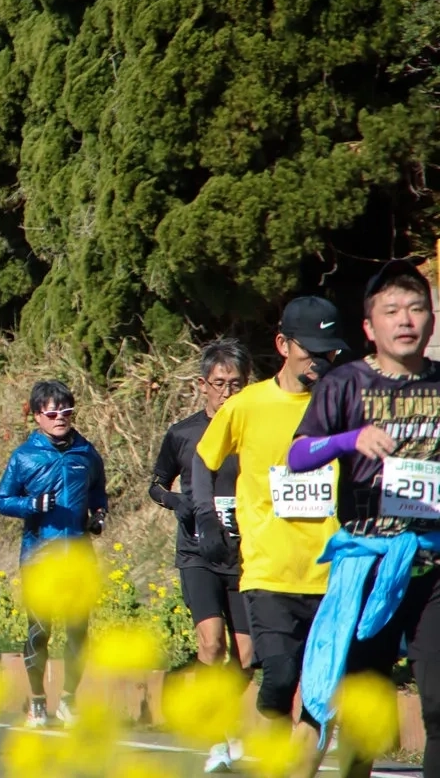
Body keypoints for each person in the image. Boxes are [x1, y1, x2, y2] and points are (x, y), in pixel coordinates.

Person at [290, 260, 440, 777]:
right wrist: (349, 439)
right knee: (353, 699)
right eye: (392, 311)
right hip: (367, 563)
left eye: (417, 309)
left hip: (430, 563)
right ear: (369, 328)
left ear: (432, 320)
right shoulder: (344, 384)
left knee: (439, 702)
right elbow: (298, 455)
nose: (406, 320)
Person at [195, 297, 348, 771]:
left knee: (320, 696)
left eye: (330, 352)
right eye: (312, 350)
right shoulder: (247, 406)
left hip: (333, 572)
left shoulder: (345, 404)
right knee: (279, 676)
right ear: (283, 345)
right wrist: (206, 517)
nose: (321, 362)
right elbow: (205, 459)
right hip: (268, 571)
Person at [150, 340, 255, 771]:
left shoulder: (256, 429)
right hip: (196, 552)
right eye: (219, 384)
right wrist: (183, 506)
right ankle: (217, 741)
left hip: (247, 553)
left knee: (248, 657)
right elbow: (156, 484)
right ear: (202, 385)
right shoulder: (183, 432)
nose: (227, 392)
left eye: (236, 384)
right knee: (211, 643)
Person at [0, 380, 108, 729]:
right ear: (37, 416)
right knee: (40, 630)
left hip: (77, 553)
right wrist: (32, 504)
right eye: (53, 412)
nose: (61, 418)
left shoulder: (86, 453)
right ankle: (38, 702)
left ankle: (70, 701)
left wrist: (99, 516)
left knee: (78, 631)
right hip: (39, 553)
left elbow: (98, 493)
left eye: (68, 412)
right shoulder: (24, 456)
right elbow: (2, 500)